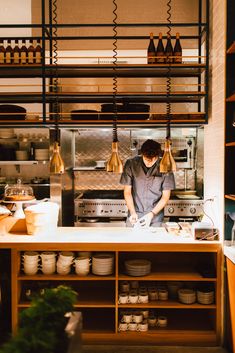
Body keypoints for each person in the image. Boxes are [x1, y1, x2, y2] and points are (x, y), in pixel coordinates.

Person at [120, 139, 175, 227]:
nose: (149, 162)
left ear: (158, 156)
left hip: (155, 217)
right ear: (142, 154)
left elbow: (165, 197)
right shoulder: (131, 164)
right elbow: (127, 192)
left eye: (152, 159)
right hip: (135, 215)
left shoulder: (165, 166)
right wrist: (133, 212)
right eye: (146, 159)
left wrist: (151, 214)